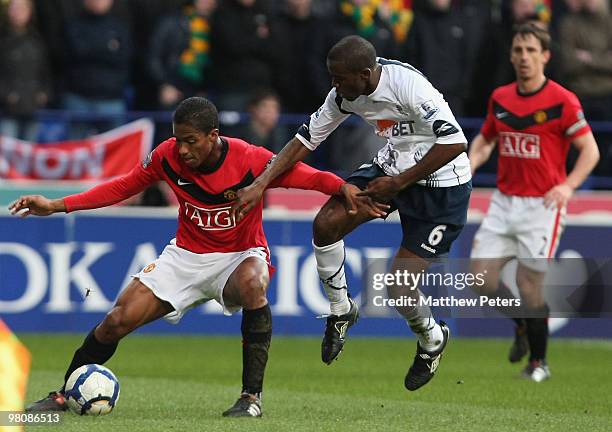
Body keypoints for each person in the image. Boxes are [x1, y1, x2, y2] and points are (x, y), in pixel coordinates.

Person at [11, 97, 379, 417]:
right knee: (116, 320)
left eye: (191, 141)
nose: (183, 150)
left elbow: (305, 176)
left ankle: (251, 397)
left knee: (254, 284)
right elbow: (123, 186)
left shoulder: (250, 159)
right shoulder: (166, 157)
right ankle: (63, 393)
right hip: (186, 256)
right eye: (178, 139)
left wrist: (342, 187)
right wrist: (57, 205)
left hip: (239, 255)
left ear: (213, 137)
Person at [233, 35, 472, 391]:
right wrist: (261, 183)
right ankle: (341, 309)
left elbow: (455, 142)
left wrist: (399, 183)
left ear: (364, 74)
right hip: (393, 167)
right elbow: (304, 140)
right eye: (331, 77)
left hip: (441, 185)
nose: (333, 85)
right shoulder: (345, 94)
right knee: (325, 225)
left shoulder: (409, 87)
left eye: (339, 78)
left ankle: (432, 339)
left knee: (399, 288)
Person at [468, 23, 599, 382]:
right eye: (518, 51)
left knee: (529, 286)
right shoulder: (501, 98)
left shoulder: (563, 101)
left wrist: (569, 186)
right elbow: (485, 139)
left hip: (542, 207)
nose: (523, 57)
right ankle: (523, 324)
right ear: (511, 56)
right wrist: (471, 162)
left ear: (545, 56)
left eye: (530, 51)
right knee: (480, 278)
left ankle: (538, 364)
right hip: (504, 202)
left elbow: (590, 150)